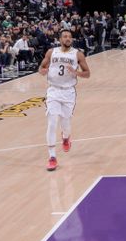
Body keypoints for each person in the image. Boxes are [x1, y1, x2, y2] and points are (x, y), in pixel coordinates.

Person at [38, 30, 91, 172]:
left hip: (68, 93)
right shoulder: (51, 52)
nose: (68, 39)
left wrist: (77, 73)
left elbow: (87, 73)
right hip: (53, 91)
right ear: (60, 39)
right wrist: (42, 71)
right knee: (52, 122)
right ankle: (52, 157)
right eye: (65, 37)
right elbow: (41, 67)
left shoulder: (77, 54)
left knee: (66, 123)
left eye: (70, 37)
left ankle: (66, 137)